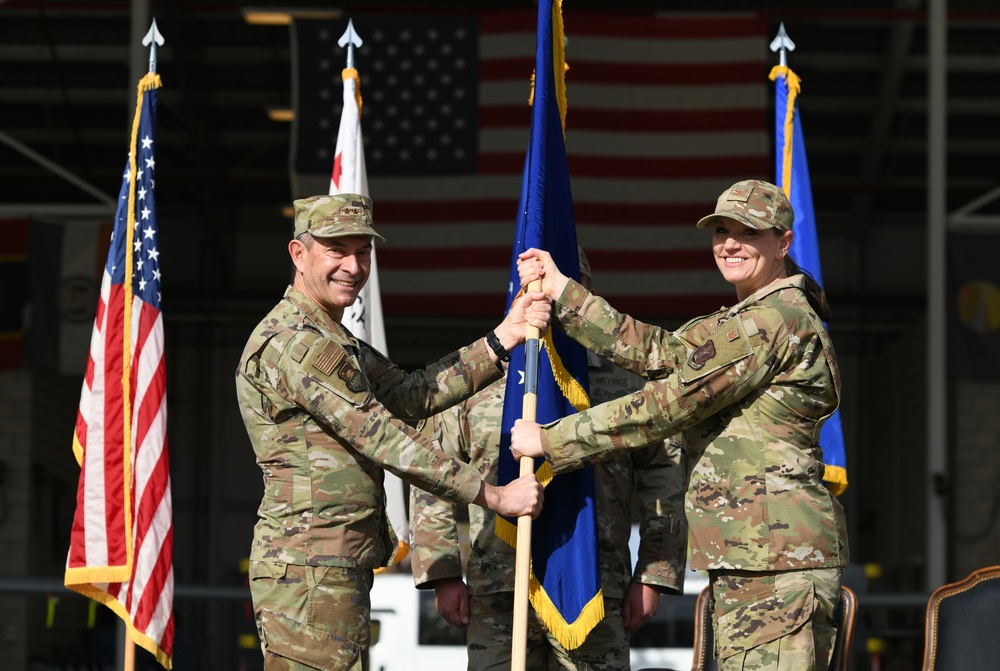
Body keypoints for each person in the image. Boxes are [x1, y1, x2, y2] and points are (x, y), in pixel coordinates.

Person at [511, 179, 850, 671]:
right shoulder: (744, 320)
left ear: (783, 243)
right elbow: (657, 352)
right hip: (755, 556)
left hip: (776, 561)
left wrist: (552, 439)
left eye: (748, 232)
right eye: (721, 231)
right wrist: (566, 292)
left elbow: (667, 405)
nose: (730, 243)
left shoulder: (771, 322)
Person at [235, 193, 550, 671]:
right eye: (336, 250)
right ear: (299, 254)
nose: (353, 266)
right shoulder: (298, 344)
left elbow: (412, 395)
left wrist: (503, 337)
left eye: (363, 252)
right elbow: (384, 436)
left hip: (332, 563)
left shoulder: (335, 342)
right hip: (309, 569)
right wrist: (493, 496)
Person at [408, 251, 688, 671]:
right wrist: (444, 573)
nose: (545, 298)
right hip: (499, 586)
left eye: (557, 287)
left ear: (585, 293)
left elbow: (664, 477)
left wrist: (654, 573)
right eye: (531, 287)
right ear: (516, 293)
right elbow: (433, 471)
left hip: (592, 584)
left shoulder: (625, 381)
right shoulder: (476, 373)